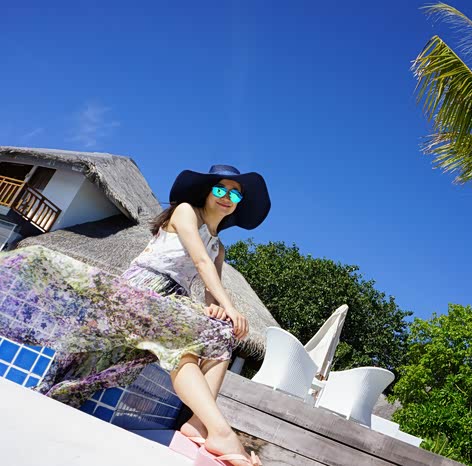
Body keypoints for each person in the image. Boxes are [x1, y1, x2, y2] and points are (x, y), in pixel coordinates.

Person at [0, 164, 270, 466]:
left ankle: (198, 424)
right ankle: (221, 432)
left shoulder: (218, 246)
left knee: (222, 335)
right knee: (198, 338)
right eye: (220, 189)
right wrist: (232, 307)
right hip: (143, 288)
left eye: (235, 194)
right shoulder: (186, 212)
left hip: (172, 299)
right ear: (207, 193)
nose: (227, 197)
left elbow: (210, 288)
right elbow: (200, 262)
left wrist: (217, 308)